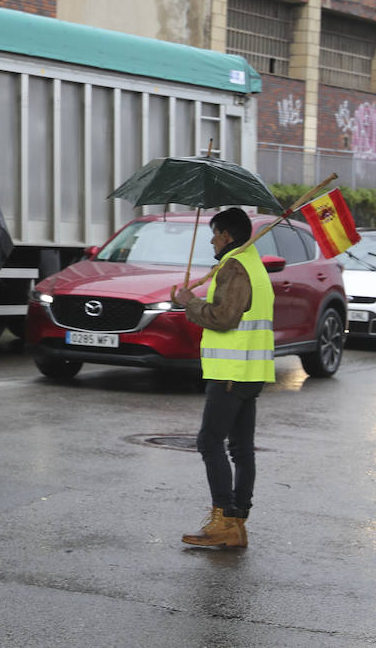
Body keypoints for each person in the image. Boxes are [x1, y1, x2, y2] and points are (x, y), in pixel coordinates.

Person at [170, 207, 275, 549]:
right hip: (250, 370)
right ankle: (237, 523)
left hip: (231, 371)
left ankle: (224, 519)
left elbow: (224, 317)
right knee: (241, 448)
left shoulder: (235, 266)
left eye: (215, 234)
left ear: (227, 235)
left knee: (209, 442)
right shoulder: (253, 263)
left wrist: (190, 303)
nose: (211, 240)